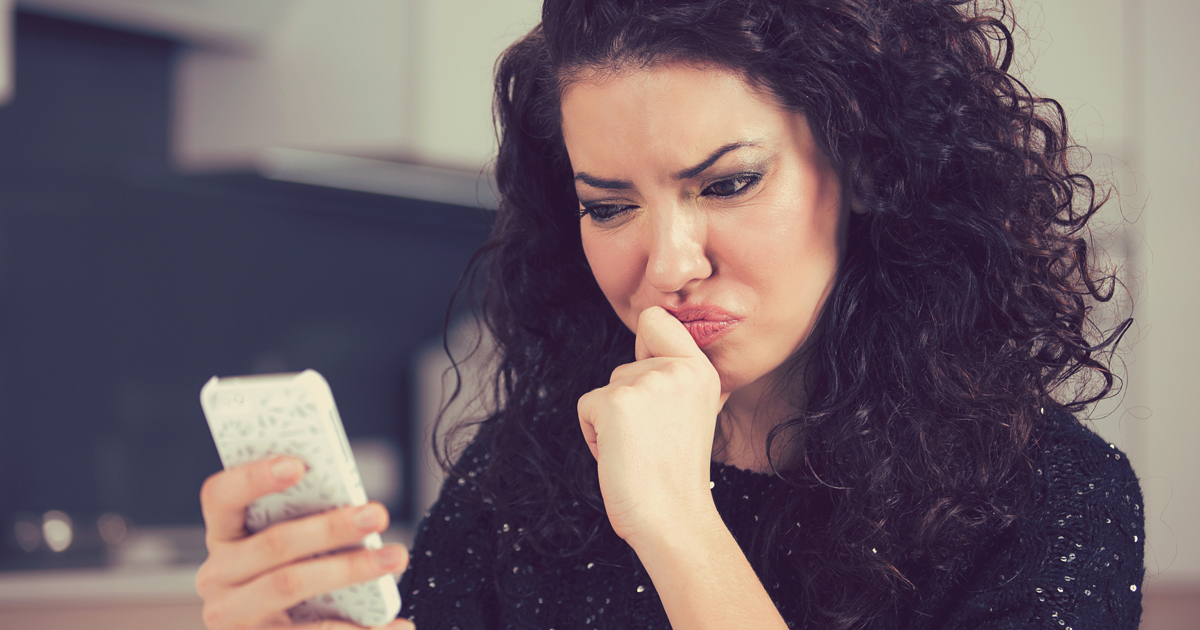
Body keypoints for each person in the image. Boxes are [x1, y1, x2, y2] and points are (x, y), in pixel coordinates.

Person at [194, 0, 1144, 628]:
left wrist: (679, 525)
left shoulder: (1051, 500)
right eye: (609, 206)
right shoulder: (520, 475)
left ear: (867, 166)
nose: (668, 264)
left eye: (728, 183)